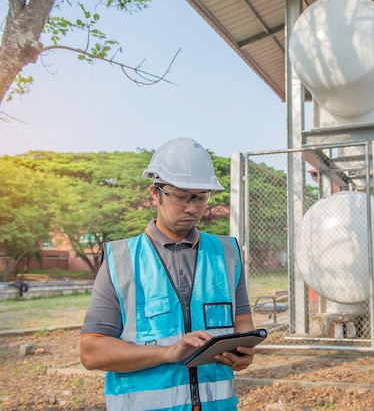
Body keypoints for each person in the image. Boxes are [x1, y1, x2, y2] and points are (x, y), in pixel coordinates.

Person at [80, 137, 256, 411]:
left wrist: (243, 351)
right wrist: (167, 353)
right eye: (181, 196)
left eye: (200, 197)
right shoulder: (121, 260)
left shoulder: (227, 253)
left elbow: (242, 321)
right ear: (155, 193)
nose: (192, 208)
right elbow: (92, 352)